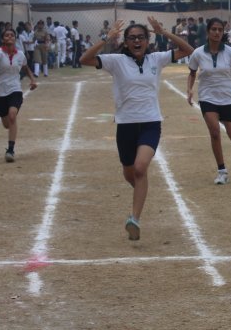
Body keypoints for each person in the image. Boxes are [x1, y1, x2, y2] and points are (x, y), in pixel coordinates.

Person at [79, 16, 193, 241]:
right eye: (132, 38)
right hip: (125, 125)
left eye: (141, 37)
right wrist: (107, 38)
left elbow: (188, 49)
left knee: (141, 168)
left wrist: (165, 32)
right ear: (126, 42)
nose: (137, 41)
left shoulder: (157, 59)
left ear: (148, 39)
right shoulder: (116, 61)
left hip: (150, 123)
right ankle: (141, 192)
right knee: (130, 172)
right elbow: (84, 59)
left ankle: (134, 219)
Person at [186, 18, 231, 185]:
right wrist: (189, 89)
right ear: (208, 32)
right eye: (213, 29)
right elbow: (192, 72)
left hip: (228, 98)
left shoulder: (230, 52)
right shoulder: (198, 53)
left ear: (223, 33)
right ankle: (222, 171)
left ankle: (221, 117)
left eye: (219, 30)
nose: (216, 32)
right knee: (214, 132)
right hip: (208, 98)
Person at [0, 28, 38, 162]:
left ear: (15, 39)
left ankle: (10, 150)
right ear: (3, 39)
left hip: (15, 89)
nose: (9, 37)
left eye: (12, 35)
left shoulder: (20, 55)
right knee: (6, 123)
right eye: (7, 35)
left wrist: (32, 79)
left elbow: (25, 68)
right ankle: (8, 129)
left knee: (13, 116)